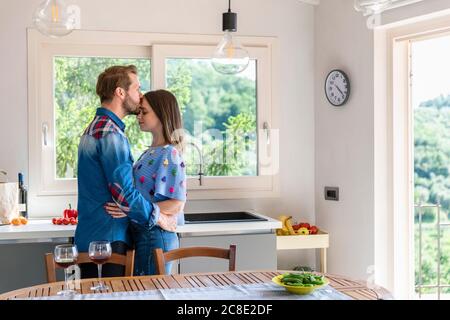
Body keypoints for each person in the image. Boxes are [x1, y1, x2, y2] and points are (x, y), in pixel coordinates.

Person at [74, 65, 162, 278]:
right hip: (108, 241)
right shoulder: (111, 134)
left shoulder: (93, 128)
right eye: (137, 89)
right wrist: (157, 216)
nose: (140, 96)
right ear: (120, 92)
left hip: (89, 235)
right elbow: (125, 195)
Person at [105, 89, 186, 275]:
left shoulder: (170, 153)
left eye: (144, 112)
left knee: (149, 293)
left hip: (156, 236)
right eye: (138, 111)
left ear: (161, 114)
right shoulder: (152, 151)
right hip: (146, 234)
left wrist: (130, 208)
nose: (138, 116)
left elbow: (176, 204)